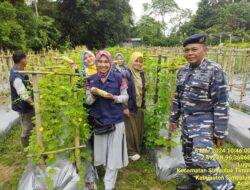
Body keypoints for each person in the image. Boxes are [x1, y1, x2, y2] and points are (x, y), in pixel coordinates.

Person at [169, 33, 235, 190]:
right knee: (188, 155)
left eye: (194, 49)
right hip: (186, 122)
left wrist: (220, 132)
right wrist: (173, 118)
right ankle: (195, 183)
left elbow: (221, 103)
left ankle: (225, 186)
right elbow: (177, 96)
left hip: (204, 123)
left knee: (202, 158)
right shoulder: (183, 71)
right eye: (186, 50)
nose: (189, 53)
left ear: (205, 49)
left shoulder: (215, 70)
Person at [85, 50, 129, 190]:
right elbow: (87, 102)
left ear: (110, 63)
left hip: (116, 120)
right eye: (100, 61)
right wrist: (93, 95)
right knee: (103, 151)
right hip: (99, 120)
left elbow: (125, 97)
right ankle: (107, 171)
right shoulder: (90, 79)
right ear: (96, 63)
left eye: (106, 62)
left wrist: (114, 98)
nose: (103, 65)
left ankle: (108, 183)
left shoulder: (119, 77)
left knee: (114, 152)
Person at [9, 51, 35, 149]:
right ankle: (27, 150)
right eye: (26, 58)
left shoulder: (20, 69)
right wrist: (34, 104)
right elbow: (23, 94)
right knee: (27, 128)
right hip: (23, 106)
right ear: (22, 60)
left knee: (32, 124)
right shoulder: (16, 77)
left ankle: (33, 144)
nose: (27, 60)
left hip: (27, 104)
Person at [124, 52, 146, 161]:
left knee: (137, 128)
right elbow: (123, 91)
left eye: (140, 61)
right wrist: (125, 107)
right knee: (130, 130)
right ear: (131, 61)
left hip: (139, 105)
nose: (138, 63)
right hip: (129, 105)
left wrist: (144, 88)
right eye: (136, 60)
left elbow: (138, 89)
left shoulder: (141, 74)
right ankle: (130, 151)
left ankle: (136, 148)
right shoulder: (126, 74)